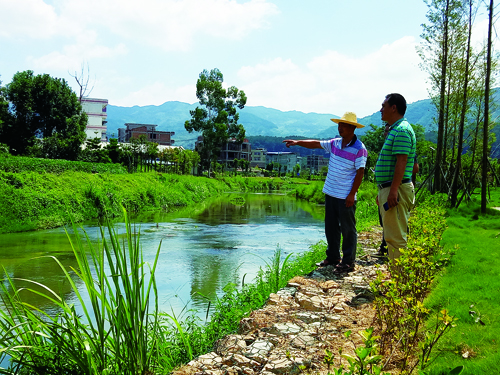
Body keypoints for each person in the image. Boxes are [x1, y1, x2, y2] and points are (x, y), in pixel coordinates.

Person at [283, 112, 367, 274]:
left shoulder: (359, 149)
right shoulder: (335, 143)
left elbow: (360, 173)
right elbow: (315, 144)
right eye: (339, 124)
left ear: (352, 128)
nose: (340, 128)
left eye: (343, 125)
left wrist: (352, 194)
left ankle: (348, 261)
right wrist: (297, 142)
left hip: (345, 196)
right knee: (331, 227)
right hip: (331, 192)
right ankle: (333, 256)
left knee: (348, 229)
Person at [374, 94, 416, 264]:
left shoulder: (401, 130)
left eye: (384, 106)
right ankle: (398, 279)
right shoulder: (395, 129)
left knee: (396, 239)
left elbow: (402, 162)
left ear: (394, 108)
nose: (380, 109)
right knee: (392, 236)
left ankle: (400, 283)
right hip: (390, 188)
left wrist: (392, 191)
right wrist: (383, 191)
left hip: (395, 189)